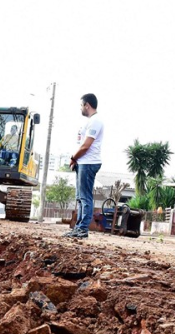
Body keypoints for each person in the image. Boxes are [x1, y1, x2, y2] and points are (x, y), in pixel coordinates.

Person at [65, 93, 104, 239]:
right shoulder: (90, 121)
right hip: (83, 162)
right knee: (80, 198)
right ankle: (78, 228)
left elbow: (86, 146)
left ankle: (82, 229)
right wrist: (76, 160)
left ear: (87, 105)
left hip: (88, 163)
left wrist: (73, 158)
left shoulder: (95, 121)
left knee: (85, 197)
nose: (80, 108)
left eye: (81, 105)